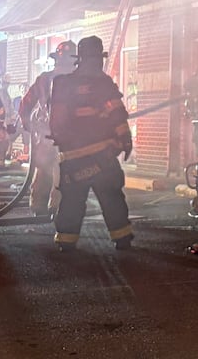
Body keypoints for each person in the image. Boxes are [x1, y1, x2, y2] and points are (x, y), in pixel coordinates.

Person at [47, 36, 134, 251]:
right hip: (101, 156)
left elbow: (56, 122)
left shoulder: (63, 83)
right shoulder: (102, 83)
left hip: (72, 158)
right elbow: (117, 114)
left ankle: (66, 242)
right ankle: (121, 239)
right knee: (111, 196)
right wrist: (125, 139)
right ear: (96, 59)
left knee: (72, 200)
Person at [19, 41, 75, 216]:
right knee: (63, 171)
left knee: (43, 169)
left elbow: (25, 105)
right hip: (68, 136)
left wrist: (28, 126)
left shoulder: (44, 79)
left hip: (44, 135)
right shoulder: (77, 80)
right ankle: (57, 206)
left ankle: (38, 206)